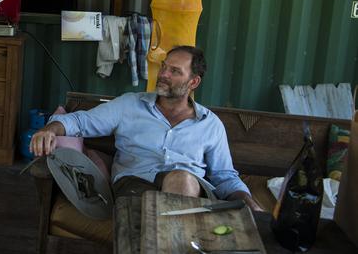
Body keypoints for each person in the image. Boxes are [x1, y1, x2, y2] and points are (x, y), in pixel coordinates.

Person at [29, 45, 262, 210]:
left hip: (192, 192)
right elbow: (81, 122)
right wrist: (51, 129)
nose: (163, 75)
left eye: (174, 71)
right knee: (172, 188)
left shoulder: (210, 125)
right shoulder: (130, 104)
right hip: (135, 185)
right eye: (164, 67)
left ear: (193, 82)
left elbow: (224, 175)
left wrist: (246, 199)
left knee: (181, 179)